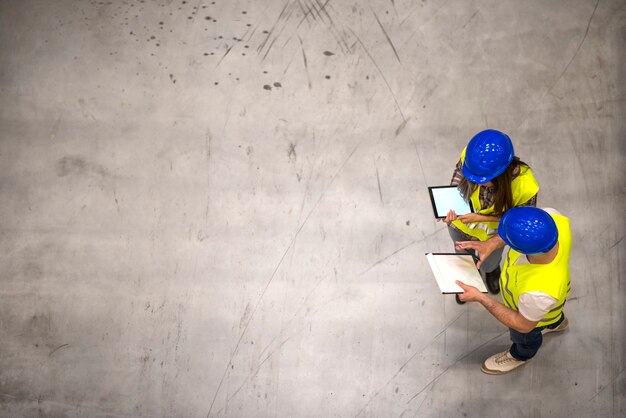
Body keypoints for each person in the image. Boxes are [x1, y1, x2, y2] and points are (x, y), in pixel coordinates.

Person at [455, 207, 571, 375]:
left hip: (529, 318)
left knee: (525, 338)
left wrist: (480, 297)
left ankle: (519, 356)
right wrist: (490, 244)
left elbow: (522, 324)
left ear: (525, 250)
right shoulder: (554, 217)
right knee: (550, 314)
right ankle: (556, 323)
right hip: (546, 306)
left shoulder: (538, 293)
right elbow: (521, 227)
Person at [442, 129, 539, 303]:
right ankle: (471, 275)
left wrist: (481, 219)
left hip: (492, 237)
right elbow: (459, 173)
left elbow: (520, 226)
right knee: (463, 254)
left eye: (481, 179)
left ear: (501, 175)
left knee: (489, 262)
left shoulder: (524, 186)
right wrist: (449, 206)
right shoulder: (472, 157)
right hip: (460, 226)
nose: (475, 181)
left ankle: (492, 271)